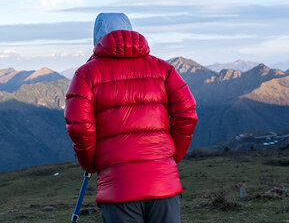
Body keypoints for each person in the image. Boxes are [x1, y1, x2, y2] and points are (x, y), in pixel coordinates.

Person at [65, 13, 198, 223]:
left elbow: (79, 127)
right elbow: (187, 113)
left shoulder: (86, 74)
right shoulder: (164, 69)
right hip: (163, 181)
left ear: (97, 37)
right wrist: (170, 156)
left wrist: (91, 163)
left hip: (118, 186)